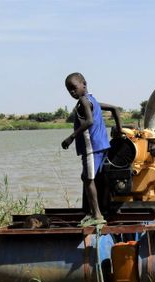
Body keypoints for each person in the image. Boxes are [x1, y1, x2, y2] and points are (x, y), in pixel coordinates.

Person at [61, 72, 110, 226]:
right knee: (89, 178)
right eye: (69, 90)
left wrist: (72, 137)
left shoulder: (83, 100)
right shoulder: (92, 99)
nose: (72, 92)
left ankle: (97, 215)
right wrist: (120, 128)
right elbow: (114, 109)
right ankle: (95, 211)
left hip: (91, 147)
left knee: (89, 180)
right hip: (102, 145)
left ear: (84, 84)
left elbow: (89, 121)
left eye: (74, 88)